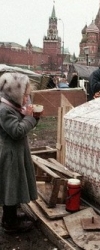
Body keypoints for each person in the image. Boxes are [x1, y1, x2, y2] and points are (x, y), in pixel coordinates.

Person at [0, 72, 42, 234]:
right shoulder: (4, 110)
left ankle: (12, 215)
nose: (27, 99)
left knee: (15, 183)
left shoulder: (13, 105)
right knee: (10, 186)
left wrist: (33, 117)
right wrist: (31, 118)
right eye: (25, 95)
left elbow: (23, 124)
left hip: (15, 152)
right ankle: (9, 222)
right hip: (9, 154)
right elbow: (17, 131)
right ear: (15, 94)